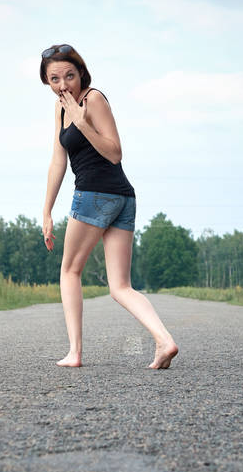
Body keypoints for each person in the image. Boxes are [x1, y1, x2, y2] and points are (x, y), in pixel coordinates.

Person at [40, 43, 178, 369]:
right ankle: (165, 341)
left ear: (81, 72)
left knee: (70, 271)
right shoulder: (60, 109)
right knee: (120, 286)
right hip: (119, 198)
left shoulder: (94, 99)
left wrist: (82, 120)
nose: (64, 85)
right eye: (55, 79)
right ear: (46, 82)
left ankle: (75, 353)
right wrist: (46, 211)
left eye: (69, 76)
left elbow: (115, 152)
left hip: (96, 194)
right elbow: (58, 160)